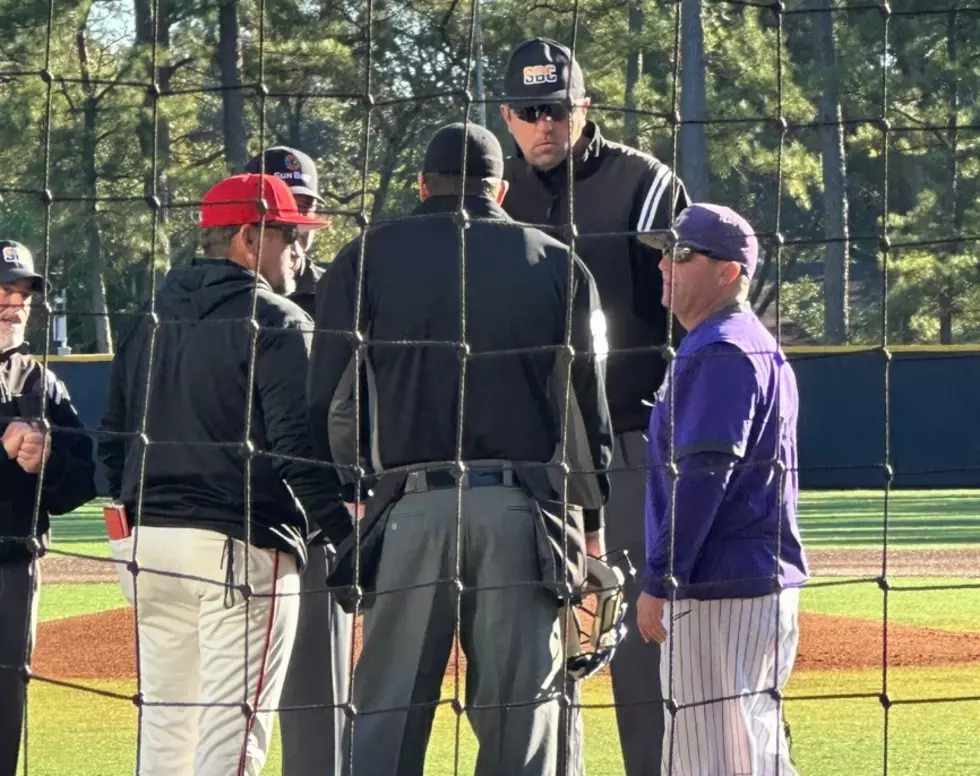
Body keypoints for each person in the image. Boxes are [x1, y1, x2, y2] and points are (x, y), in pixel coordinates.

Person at [308, 122, 613, 776]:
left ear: (423, 184)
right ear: (500, 189)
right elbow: (586, 413)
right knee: (523, 727)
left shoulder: (364, 256)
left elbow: (329, 402)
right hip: (522, 515)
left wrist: (358, 500)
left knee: (385, 725)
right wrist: (592, 534)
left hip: (410, 511)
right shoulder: (559, 259)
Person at [97, 173, 354, 776]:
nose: (299, 249)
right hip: (238, 551)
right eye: (289, 234)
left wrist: (129, 529)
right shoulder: (278, 317)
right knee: (229, 743)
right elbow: (297, 452)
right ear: (248, 236)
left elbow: (111, 440)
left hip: (148, 549)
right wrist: (346, 536)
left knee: (165, 735)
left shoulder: (146, 315)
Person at [498, 36, 690, 775]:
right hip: (524, 457)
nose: (545, 124)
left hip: (631, 440)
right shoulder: (496, 193)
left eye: (559, 108)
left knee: (643, 645)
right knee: (534, 652)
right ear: (508, 115)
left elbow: (687, 310)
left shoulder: (644, 183)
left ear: (587, 106)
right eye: (530, 110)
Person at [635, 204, 809, 776]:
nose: (666, 263)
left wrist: (661, 576)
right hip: (745, 580)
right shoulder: (738, 343)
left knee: (716, 759)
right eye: (666, 251)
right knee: (750, 752)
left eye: (682, 254)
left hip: (719, 586)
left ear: (729, 271)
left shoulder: (722, 351)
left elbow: (703, 477)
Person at [245, 145, 353, 776]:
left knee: (317, 704)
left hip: (314, 517)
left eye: (303, 206)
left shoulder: (340, 289)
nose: (293, 221)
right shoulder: (208, 294)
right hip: (235, 516)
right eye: (280, 207)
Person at [0, 239, 96, 776]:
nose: (15, 305)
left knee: (5, 711)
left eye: (23, 294)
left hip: (15, 570)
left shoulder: (42, 382)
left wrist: (47, 463)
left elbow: (82, 481)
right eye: (3, 292)